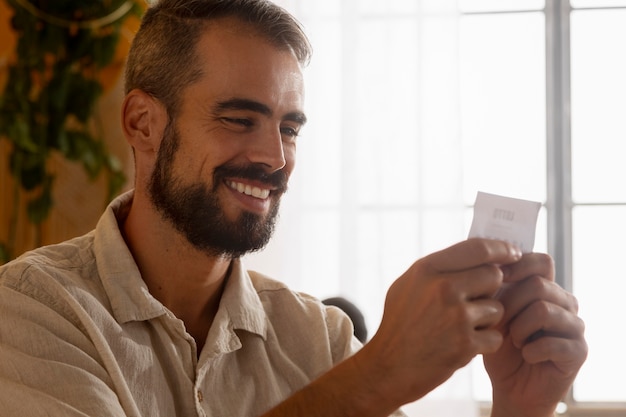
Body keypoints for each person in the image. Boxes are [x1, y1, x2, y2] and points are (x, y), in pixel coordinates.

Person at [0, 0, 587, 416]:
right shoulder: (31, 309)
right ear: (143, 123)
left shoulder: (323, 341)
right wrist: (379, 374)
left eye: (290, 128)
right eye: (239, 119)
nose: (273, 156)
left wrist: (520, 408)